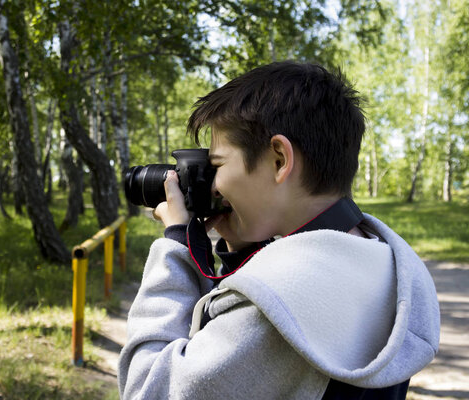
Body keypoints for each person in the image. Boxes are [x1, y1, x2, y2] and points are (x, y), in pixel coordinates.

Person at [118, 61, 440, 399]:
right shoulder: (390, 268)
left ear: (279, 159)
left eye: (217, 165)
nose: (213, 187)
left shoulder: (273, 311)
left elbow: (148, 388)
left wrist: (175, 245)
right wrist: (242, 254)